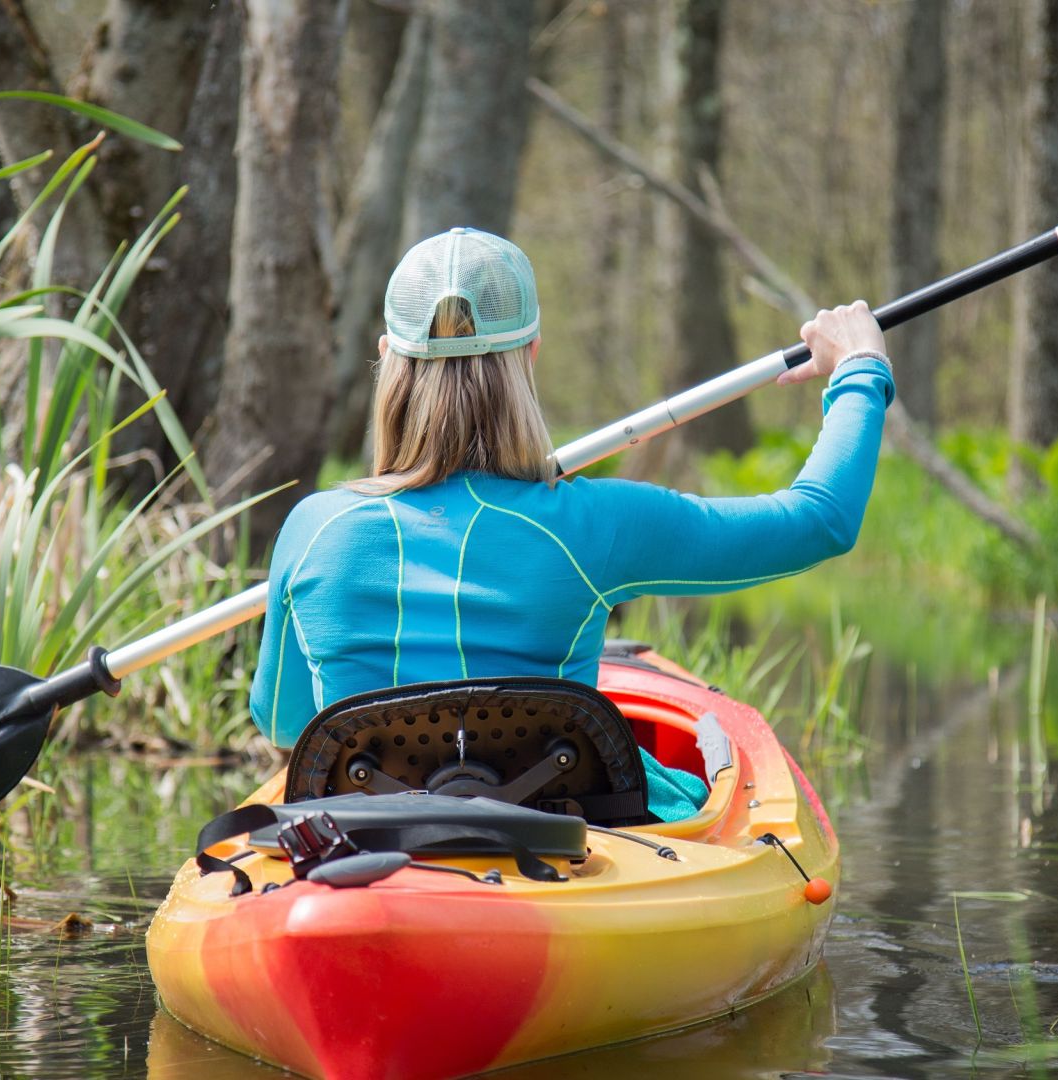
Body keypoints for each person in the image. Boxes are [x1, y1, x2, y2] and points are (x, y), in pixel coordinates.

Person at [250, 227, 892, 822]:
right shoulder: (592, 525)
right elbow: (819, 520)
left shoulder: (313, 530)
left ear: (389, 357)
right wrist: (860, 368)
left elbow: (284, 724)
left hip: (362, 845)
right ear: (531, 354)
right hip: (550, 834)